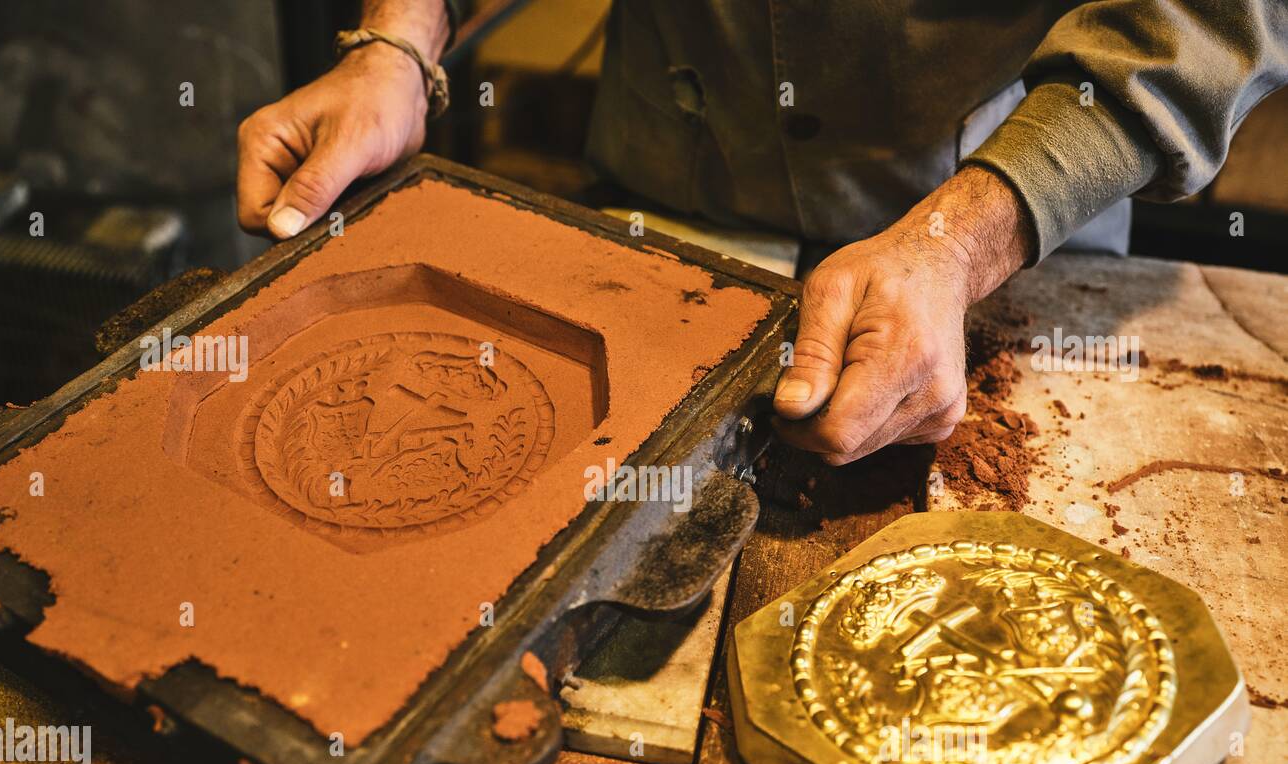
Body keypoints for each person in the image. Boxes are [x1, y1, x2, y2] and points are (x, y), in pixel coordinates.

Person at [237, 0, 1288, 465]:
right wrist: (399, 42)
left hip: (1008, 209)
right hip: (672, 177)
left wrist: (959, 242)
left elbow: (1202, 18)